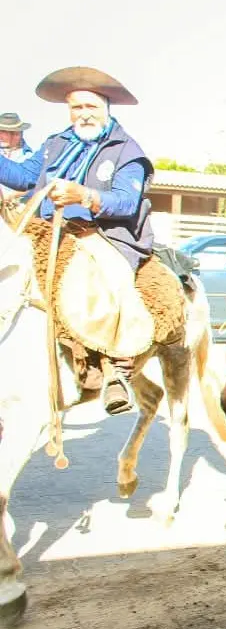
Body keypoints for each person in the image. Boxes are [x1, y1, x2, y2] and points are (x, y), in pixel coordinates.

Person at [0, 67, 157, 414]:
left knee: (111, 283)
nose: (83, 114)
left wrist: (84, 195)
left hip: (102, 235)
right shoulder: (56, 143)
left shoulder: (126, 150)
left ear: (106, 107)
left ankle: (115, 366)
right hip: (46, 228)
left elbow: (126, 201)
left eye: (91, 106)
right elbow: (25, 177)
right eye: (76, 108)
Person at [0, 110, 33, 200]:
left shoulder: (30, 159)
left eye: (3, 132)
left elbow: (36, 186)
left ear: (16, 135)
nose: (0, 136)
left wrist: (12, 195)